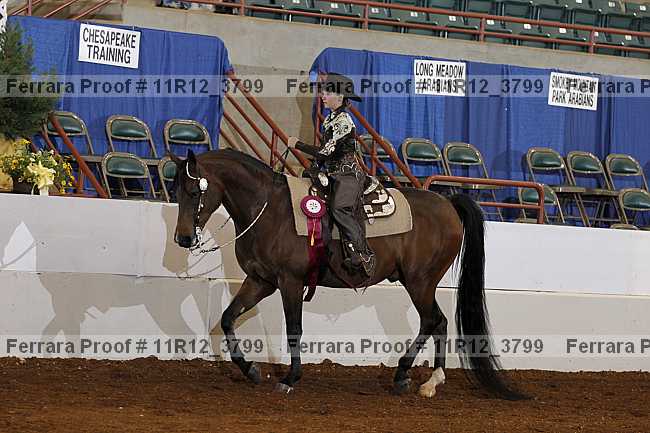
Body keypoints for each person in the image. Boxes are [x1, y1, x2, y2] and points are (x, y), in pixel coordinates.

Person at [288, 72, 375, 278]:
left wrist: (298, 145)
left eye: (328, 92)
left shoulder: (344, 121)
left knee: (339, 208)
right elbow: (326, 153)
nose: (323, 96)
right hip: (333, 173)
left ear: (340, 97)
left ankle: (362, 255)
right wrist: (315, 167)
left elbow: (326, 151)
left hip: (348, 175)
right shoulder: (329, 118)